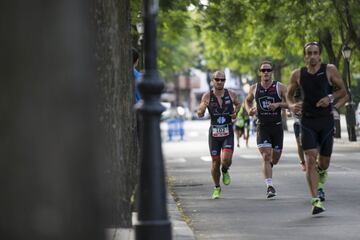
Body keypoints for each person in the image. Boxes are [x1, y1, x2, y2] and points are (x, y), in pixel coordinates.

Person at [287, 41, 348, 215]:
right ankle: (316, 200)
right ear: (305, 56)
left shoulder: (330, 70)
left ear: (319, 55)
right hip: (307, 121)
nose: (312, 56)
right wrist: (291, 105)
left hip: (326, 121)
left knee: (324, 162)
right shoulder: (298, 74)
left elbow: (343, 92)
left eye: (315, 53)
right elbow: (289, 95)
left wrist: (330, 99)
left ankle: (321, 177)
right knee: (310, 158)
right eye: (309, 53)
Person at [244, 60, 288, 199]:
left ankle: (268, 166)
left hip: (276, 127)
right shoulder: (254, 88)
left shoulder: (280, 87)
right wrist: (249, 110)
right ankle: (269, 186)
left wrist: (278, 105)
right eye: (263, 70)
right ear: (260, 73)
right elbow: (247, 101)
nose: (266, 73)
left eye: (268, 70)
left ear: (272, 72)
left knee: (274, 158)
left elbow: (290, 103)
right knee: (266, 156)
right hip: (262, 126)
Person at [197, 70, 241, 199]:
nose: (220, 82)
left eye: (222, 80)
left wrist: (236, 112)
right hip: (214, 134)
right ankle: (216, 187)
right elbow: (200, 111)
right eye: (217, 79)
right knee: (215, 162)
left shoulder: (231, 94)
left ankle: (225, 170)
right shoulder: (207, 96)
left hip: (227, 132)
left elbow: (238, 104)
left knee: (226, 160)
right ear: (213, 81)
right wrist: (201, 111)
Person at [292, 87, 306, 171]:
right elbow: (290, 106)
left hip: (308, 123)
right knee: (299, 143)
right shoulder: (293, 95)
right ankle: (303, 162)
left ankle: (314, 160)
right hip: (297, 123)